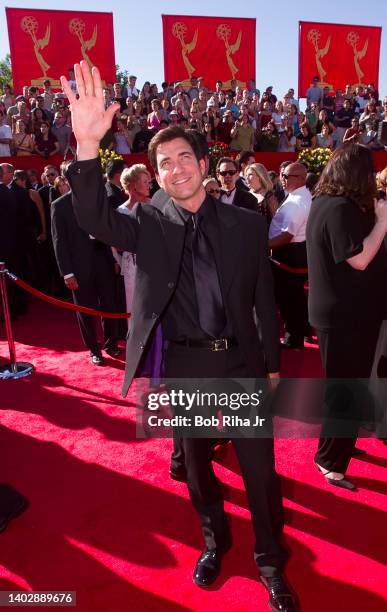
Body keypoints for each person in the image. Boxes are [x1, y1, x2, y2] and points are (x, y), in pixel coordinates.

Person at [61, 61, 298, 612]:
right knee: (195, 469)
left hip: (239, 363)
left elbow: (263, 298)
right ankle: (214, 543)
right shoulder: (148, 223)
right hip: (187, 367)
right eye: (163, 163)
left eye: (183, 158)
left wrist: (271, 361)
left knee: (259, 474)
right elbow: (93, 217)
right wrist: (87, 144)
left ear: (203, 164)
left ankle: (270, 562)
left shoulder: (243, 225)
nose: (174, 169)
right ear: (156, 174)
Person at [306, 144, 387, 490]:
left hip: (351, 314)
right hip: (344, 317)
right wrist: (383, 221)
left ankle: (339, 447)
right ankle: (330, 461)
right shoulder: (337, 207)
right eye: (369, 171)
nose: (373, 177)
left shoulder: (332, 203)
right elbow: (359, 259)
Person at [269, 163, 312, 349]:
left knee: (289, 298)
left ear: (301, 179)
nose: (283, 179)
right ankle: (300, 332)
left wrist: (262, 246)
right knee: (294, 297)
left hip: (288, 257)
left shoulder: (297, 202)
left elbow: (287, 236)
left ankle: (293, 338)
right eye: (282, 175)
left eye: (287, 176)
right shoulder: (299, 196)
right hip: (292, 255)